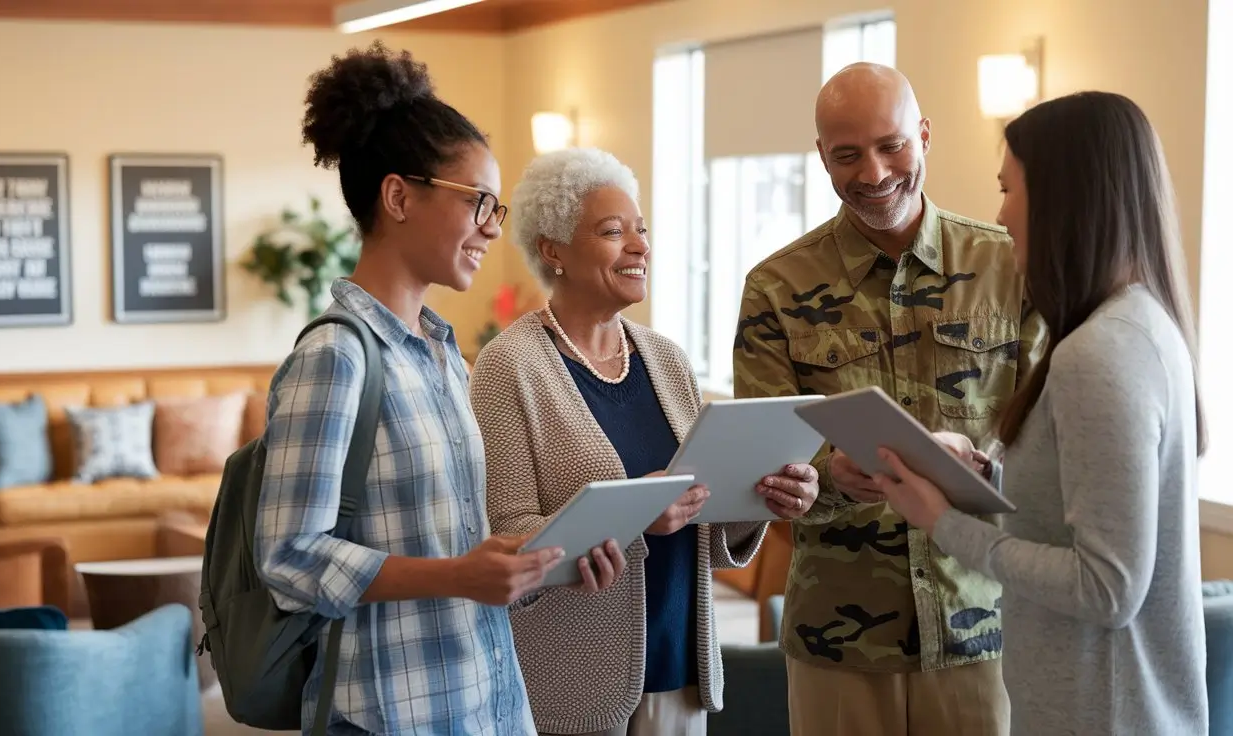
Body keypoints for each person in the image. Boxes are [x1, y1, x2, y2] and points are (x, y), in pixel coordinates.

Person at [872, 91, 1210, 736]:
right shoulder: (1138, 325)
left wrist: (943, 522)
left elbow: (1106, 587)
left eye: (1008, 189)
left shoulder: (1101, 352)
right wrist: (982, 479)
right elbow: (1088, 509)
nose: (1001, 215)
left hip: (1100, 711)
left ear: (1064, 198)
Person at [253, 41, 564, 736]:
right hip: (389, 714)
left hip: (487, 704)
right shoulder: (336, 357)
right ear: (398, 196)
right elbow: (288, 557)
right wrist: (455, 575)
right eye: (478, 201)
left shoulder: (445, 354)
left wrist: (540, 558)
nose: (492, 226)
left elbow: (455, 541)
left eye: (497, 207)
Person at [732, 61, 1049, 736]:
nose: (873, 174)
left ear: (925, 136)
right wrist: (824, 474)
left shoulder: (1010, 266)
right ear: (821, 156)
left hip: (986, 623)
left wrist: (986, 463)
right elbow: (763, 459)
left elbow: (1051, 436)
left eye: (891, 146)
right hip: (839, 640)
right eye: (847, 155)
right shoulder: (776, 288)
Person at [469, 147, 820, 736]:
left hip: (680, 666)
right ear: (553, 250)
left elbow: (700, 521)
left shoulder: (665, 359)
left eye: (642, 229)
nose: (640, 246)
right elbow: (506, 542)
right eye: (613, 232)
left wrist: (765, 496)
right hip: (572, 681)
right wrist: (631, 517)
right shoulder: (510, 367)